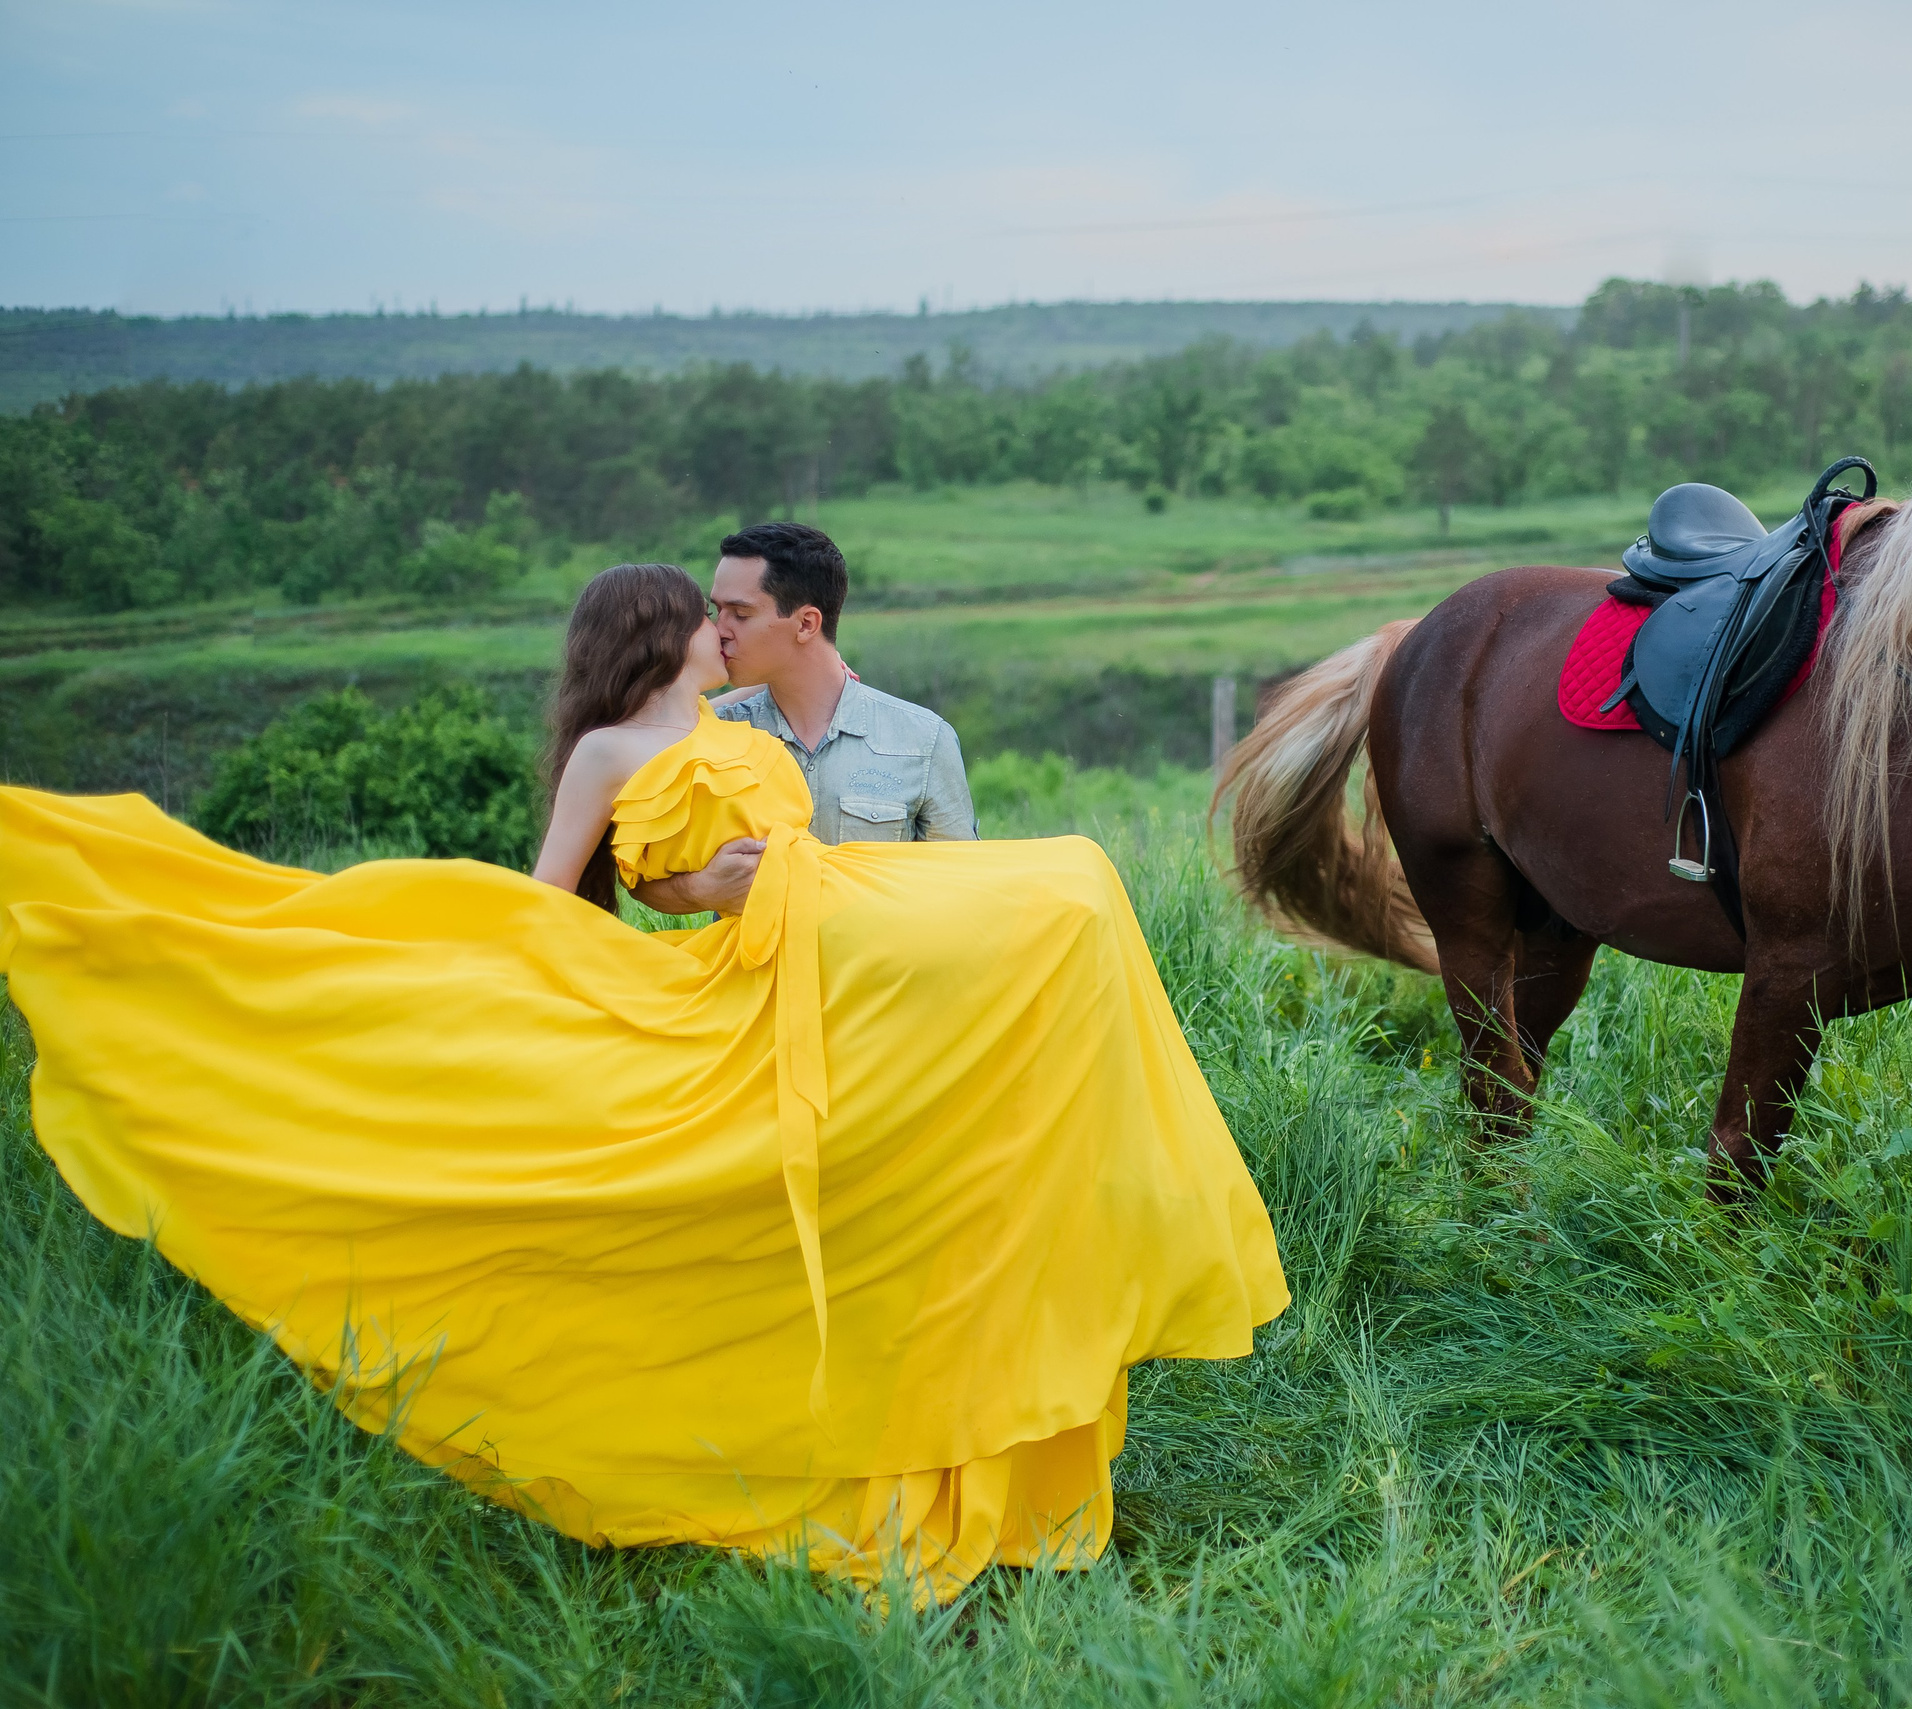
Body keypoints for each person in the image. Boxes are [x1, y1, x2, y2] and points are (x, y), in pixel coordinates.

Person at [0, 561, 1288, 1597]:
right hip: (767, 949)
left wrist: (730, 872)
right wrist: (671, 905)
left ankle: (1041, 1250)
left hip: (837, 919)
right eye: (703, 614)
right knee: (1066, 888)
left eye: (730, 611)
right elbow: (556, 890)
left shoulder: (740, 722)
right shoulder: (612, 746)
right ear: (659, 633)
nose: (721, 628)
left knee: (1068, 891)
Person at [633, 521, 970, 919]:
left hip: (877, 977)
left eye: (739, 614)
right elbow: (643, 881)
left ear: (807, 624)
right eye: (715, 611)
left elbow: (964, 882)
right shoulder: (706, 734)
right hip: (750, 976)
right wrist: (701, 889)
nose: (717, 631)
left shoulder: (923, 739)